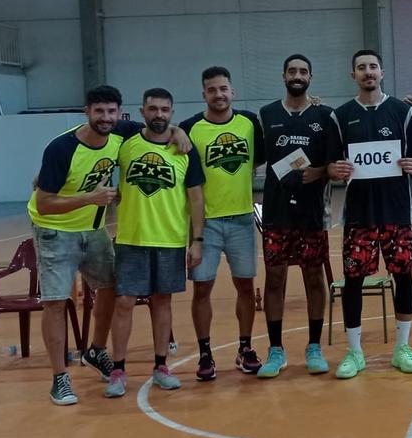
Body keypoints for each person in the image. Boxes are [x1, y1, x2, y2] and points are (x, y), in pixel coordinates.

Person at [29, 85, 189, 405]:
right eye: (99, 111)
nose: (106, 118)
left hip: (95, 230)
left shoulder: (120, 133)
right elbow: (44, 202)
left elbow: (157, 124)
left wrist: (178, 130)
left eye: (112, 111)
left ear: (120, 113)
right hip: (55, 231)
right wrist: (90, 198)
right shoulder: (61, 148)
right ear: (86, 112)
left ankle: (96, 351)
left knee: (112, 289)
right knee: (56, 302)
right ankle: (59, 378)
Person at [330, 49, 412, 377]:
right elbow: (331, 164)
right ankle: (354, 353)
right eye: (361, 67)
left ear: (382, 72)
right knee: (353, 280)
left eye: (372, 67)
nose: (367, 72)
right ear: (352, 74)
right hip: (359, 216)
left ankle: (402, 347)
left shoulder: (403, 112)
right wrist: (336, 169)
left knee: (403, 276)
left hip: (398, 214)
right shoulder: (340, 116)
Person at [106, 88, 205, 397]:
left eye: (165, 109)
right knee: (124, 302)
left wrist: (197, 239)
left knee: (162, 302)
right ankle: (118, 370)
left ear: (172, 112)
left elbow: (196, 198)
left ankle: (161, 366)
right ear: (142, 111)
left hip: (170, 238)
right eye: (153, 109)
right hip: (132, 238)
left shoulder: (185, 150)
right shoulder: (125, 142)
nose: (159, 114)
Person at [256, 54, 342, 378]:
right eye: (292, 70)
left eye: (303, 71)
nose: (297, 75)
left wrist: (318, 171)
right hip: (277, 213)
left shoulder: (325, 115)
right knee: (275, 278)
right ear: (283, 76)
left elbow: (335, 165)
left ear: (311, 76)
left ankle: (314, 346)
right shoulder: (267, 115)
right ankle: (275, 349)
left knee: (313, 278)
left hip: (311, 214)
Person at [179, 66, 266, 380]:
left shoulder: (249, 123)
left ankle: (245, 348)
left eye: (223, 89)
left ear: (233, 91)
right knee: (202, 288)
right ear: (204, 94)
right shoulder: (188, 128)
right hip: (205, 224)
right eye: (212, 90)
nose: (219, 94)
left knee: (245, 286)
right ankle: (205, 353)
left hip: (242, 219)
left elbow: (258, 157)